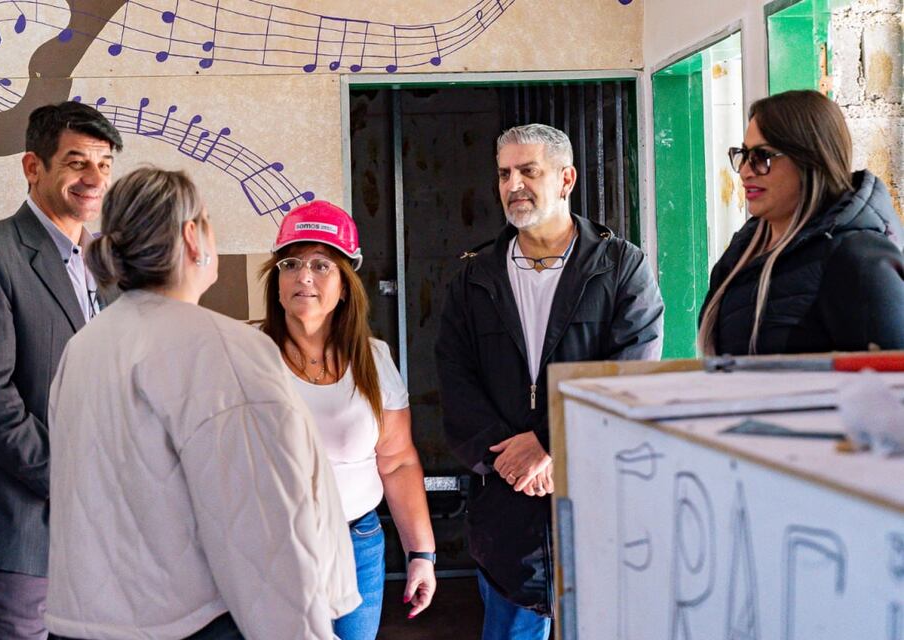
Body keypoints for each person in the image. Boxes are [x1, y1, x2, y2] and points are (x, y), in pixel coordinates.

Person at [45, 168, 359, 639]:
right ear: (193, 237)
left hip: (82, 624)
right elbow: (264, 531)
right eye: (209, 221)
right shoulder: (222, 348)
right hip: (194, 626)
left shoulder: (85, 346)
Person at [435, 123, 664, 639]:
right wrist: (511, 461)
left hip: (600, 506)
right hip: (506, 517)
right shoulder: (473, 278)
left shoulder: (622, 269)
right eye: (504, 173)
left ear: (566, 179)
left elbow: (629, 375)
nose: (513, 184)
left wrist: (550, 445)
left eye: (528, 171)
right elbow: (455, 380)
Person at [0, 101, 122, 639]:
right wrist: (72, 482)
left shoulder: (105, 264)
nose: (94, 178)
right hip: (15, 533)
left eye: (105, 163)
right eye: (76, 162)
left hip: (97, 538)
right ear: (33, 167)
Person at [258, 200, 437, 639]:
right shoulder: (246, 356)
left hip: (358, 545)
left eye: (322, 264)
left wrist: (422, 553)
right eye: (291, 263)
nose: (303, 275)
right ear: (277, 282)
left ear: (344, 286)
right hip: (272, 549)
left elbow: (396, 460)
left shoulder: (374, 360)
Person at [698, 90, 904, 356]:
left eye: (762, 157)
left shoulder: (857, 258)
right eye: (744, 154)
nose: (746, 172)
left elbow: (891, 387)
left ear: (810, 158)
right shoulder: (744, 249)